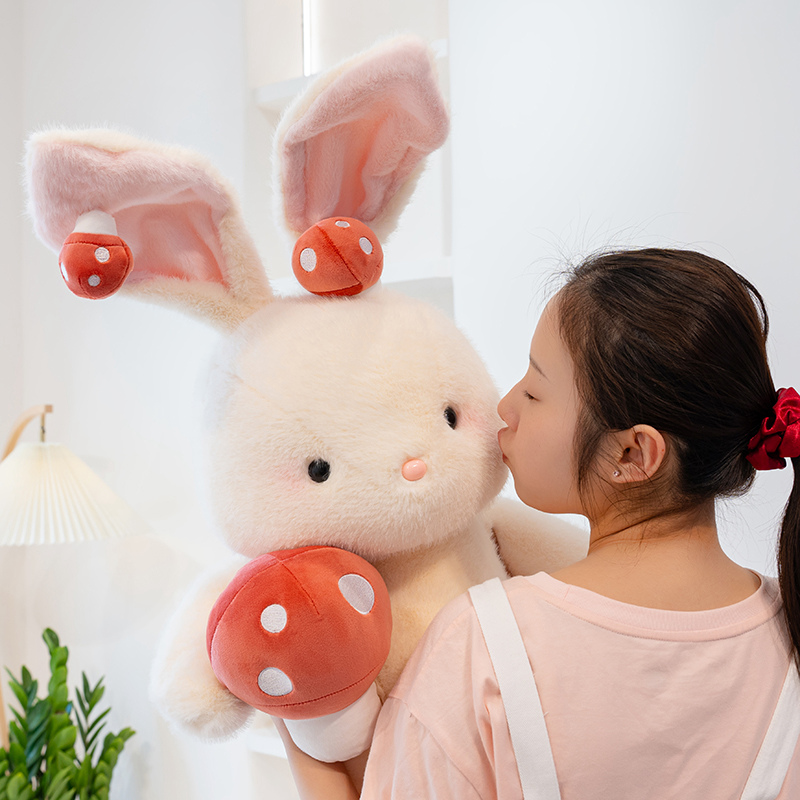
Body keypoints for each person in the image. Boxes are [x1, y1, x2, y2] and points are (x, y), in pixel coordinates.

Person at [277, 248, 800, 799]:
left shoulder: (485, 647)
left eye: (534, 390)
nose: (505, 407)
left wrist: (301, 714)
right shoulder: (789, 639)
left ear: (633, 453)